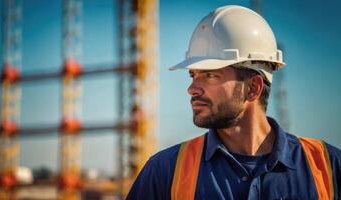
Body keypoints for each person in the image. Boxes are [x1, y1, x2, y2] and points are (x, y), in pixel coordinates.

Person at [127, 5, 341, 200]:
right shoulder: (165, 172)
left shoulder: (328, 167)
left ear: (253, 87)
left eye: (210, 75)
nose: (192, 89)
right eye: (193, 75)